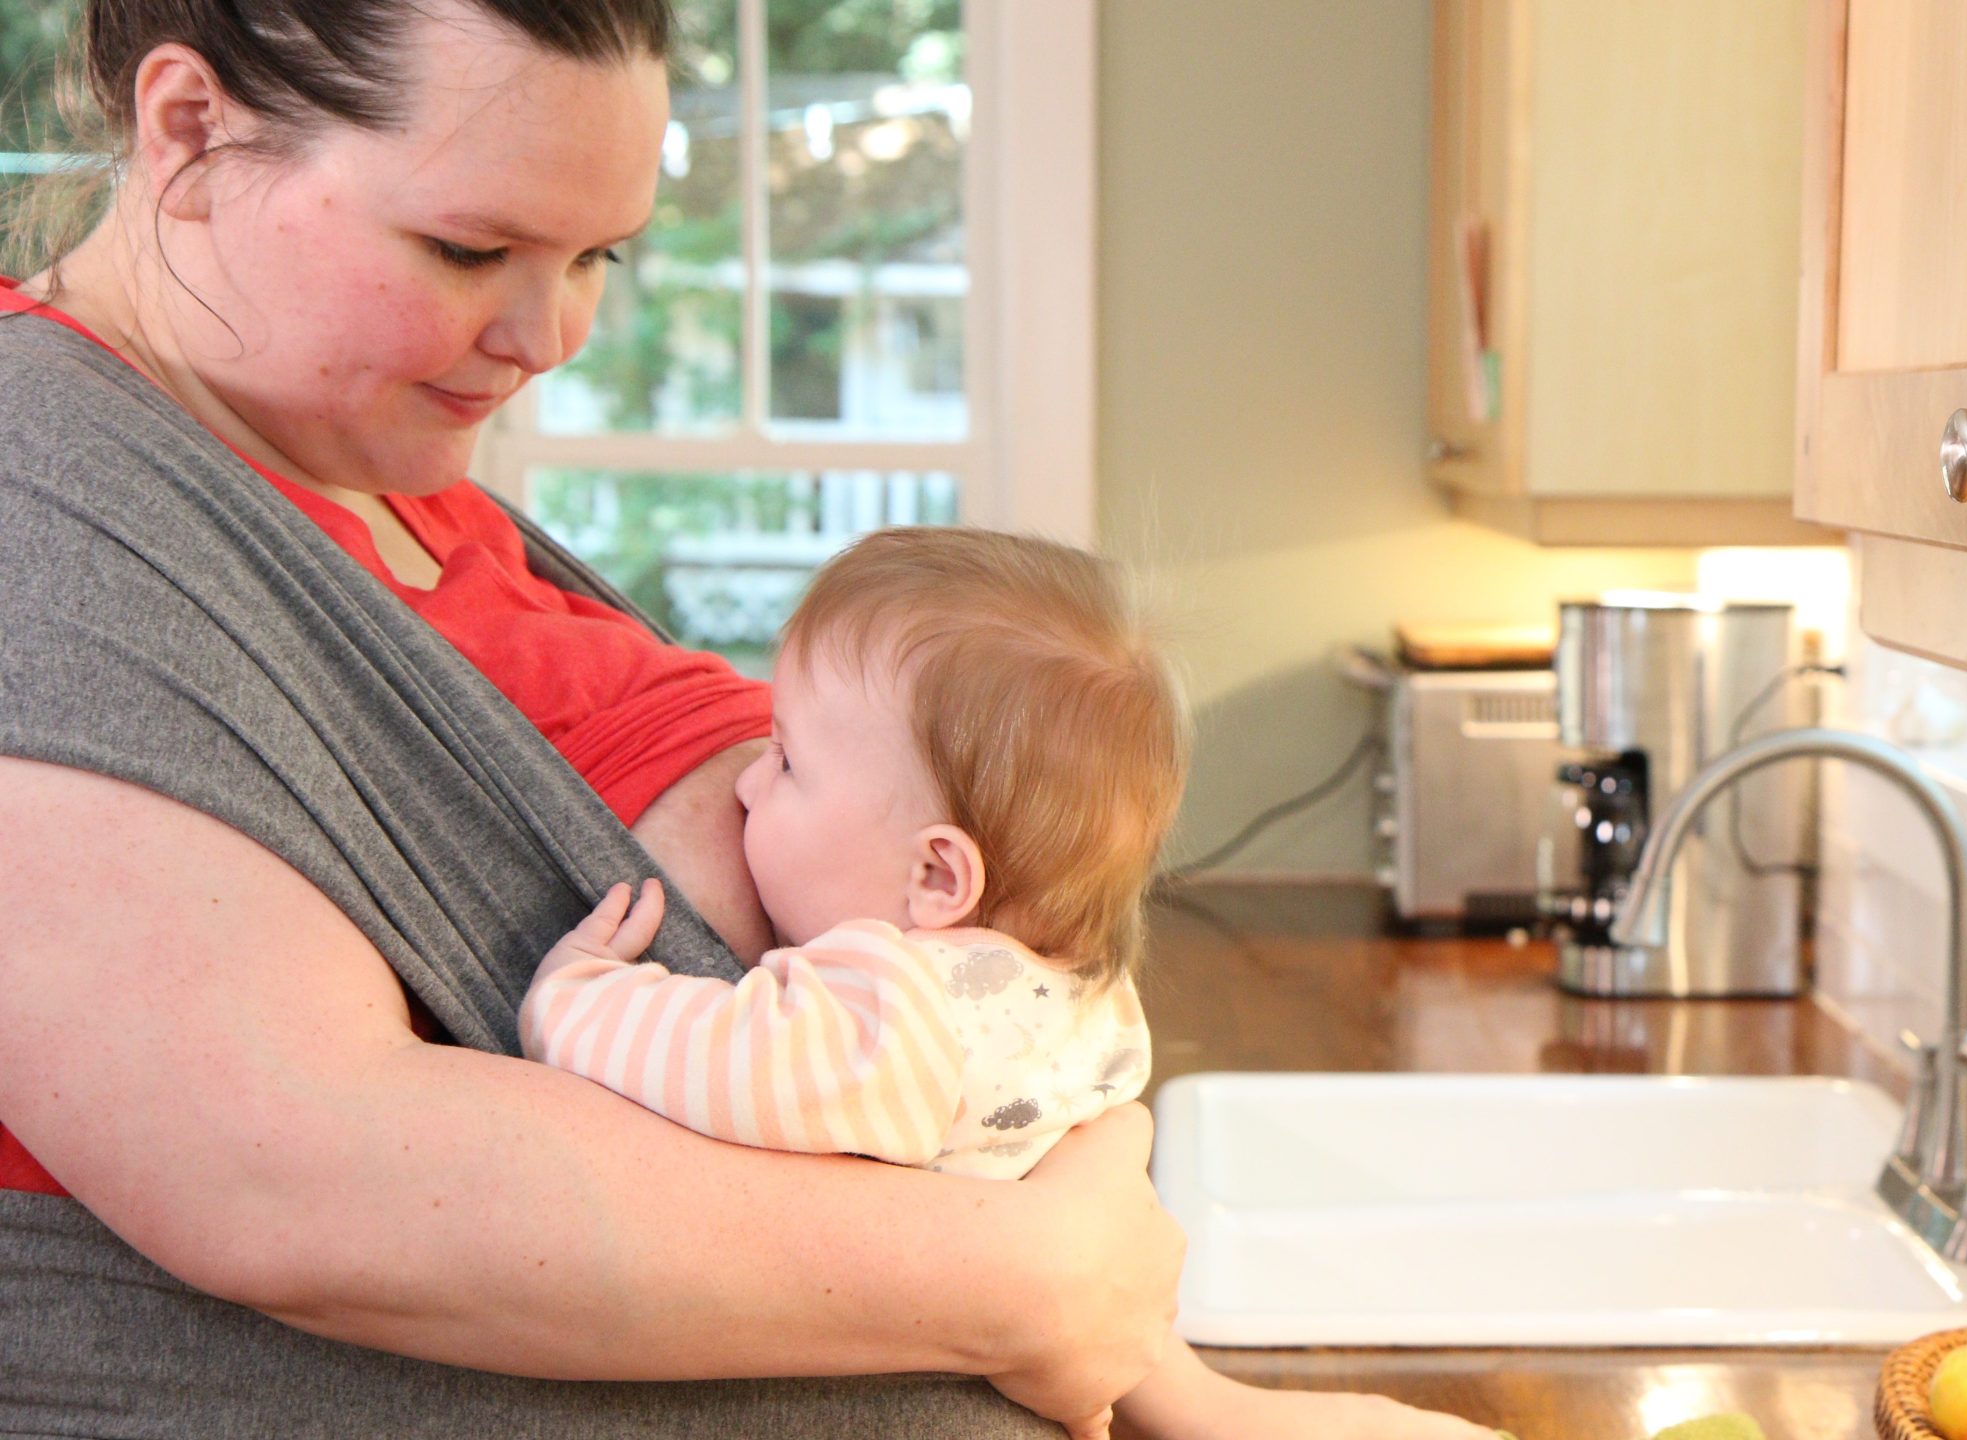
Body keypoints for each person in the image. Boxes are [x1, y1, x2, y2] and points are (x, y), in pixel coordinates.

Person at [0, 1, 1182, 1434]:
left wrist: (1161, 1359)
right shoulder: (43, 484)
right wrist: (1034, 1275)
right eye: (468, 249)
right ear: (191, 127)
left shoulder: (370, 478)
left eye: (597, 256)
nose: (549, 335)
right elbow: (292, 1177)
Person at [520, 528, 1498, 1440]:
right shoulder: (1061, 981)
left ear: (937, 877)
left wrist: (580, 995)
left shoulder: (885, 1012)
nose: (743, 782)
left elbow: (720, 1058)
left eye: (785, 761)